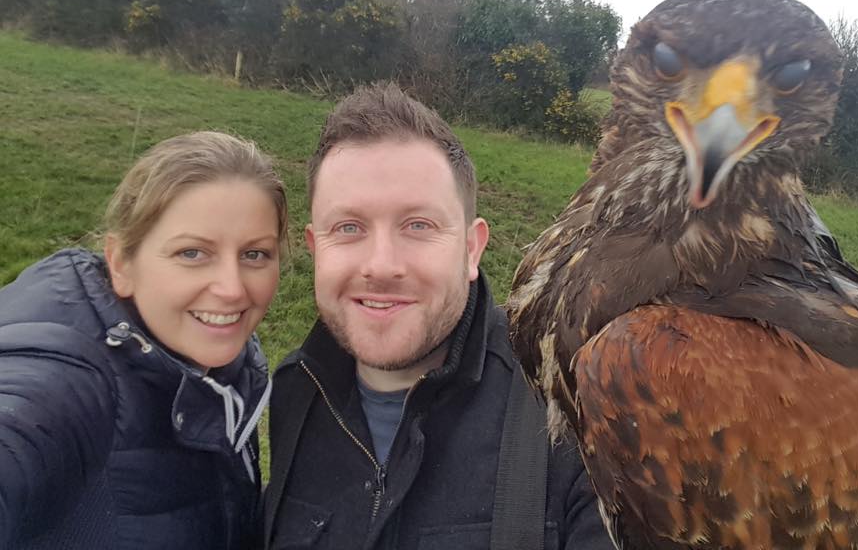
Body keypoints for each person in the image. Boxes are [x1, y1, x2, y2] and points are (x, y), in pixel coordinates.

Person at [263, 84, 612, 549]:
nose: (381, 265)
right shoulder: (293, 392)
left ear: (472, 249)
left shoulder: (575, 414)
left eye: (418, 225)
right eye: (348, 227)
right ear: (315, 248)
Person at [0, 131, 287, 549]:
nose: (232, 289)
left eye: (254, 254)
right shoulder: (66, 378)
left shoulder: (224, 370)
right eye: (192, 253)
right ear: (121, 264)